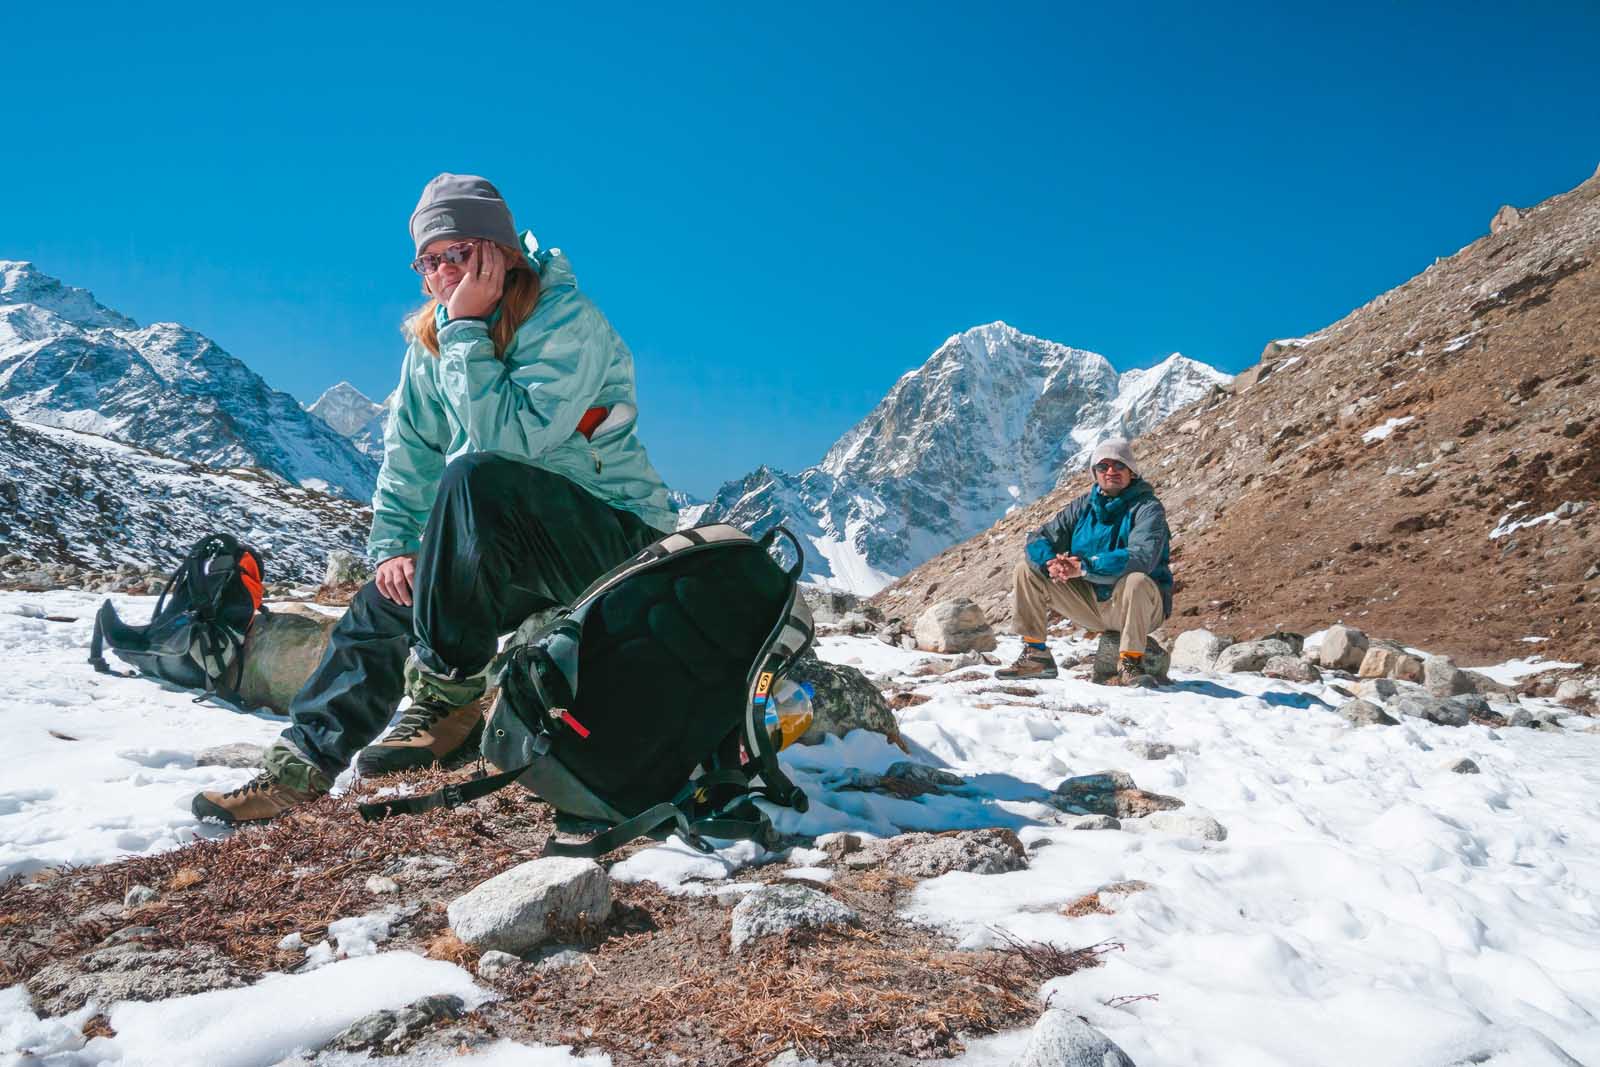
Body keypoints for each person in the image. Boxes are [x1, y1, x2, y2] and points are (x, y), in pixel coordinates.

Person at [194, 174, 676, 824]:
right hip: (517, 544)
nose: (444, 272)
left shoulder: (567, 322)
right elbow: (412, 458)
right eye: (430, 259)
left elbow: (507, 447)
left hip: (617, 546)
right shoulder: (436, 343)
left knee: (474, 479)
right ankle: (297, 770)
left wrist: (469, 334)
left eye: (460, 252)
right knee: (384, 600)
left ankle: (447, 703)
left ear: (502, 251)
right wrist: (394, 547)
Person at [996, 438, 1172, 687]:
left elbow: (1142, 557)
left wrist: (1086, 566)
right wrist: (1050, 563)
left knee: (1136, 580)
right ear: (1095, 473)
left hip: (1138, 604)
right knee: (1027, 570)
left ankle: (1131, 663)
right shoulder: (1083, 506)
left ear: (1131, 471)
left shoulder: (1147, 508)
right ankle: (1036, 655)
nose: (1111, 472)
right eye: (1104, 466)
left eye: (1119, 466)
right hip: (1090, 602)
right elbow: (1039, 538)